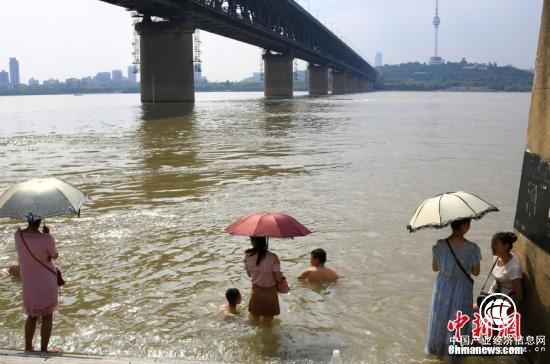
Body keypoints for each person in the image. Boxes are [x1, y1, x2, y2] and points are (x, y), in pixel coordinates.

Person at [426, 218, 481, 357]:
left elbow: (434, 268)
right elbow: (476, 272)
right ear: (464, 225)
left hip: (442, 288)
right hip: (462, 289)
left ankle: (437, 353)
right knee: (458, 321)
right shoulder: (472, 248)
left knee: (440, 320)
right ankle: (454, 355)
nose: (468, 226)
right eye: (468, 224)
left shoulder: (440, 245)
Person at [14, 216, 61, 353]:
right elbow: (55, 255)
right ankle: (44, 349)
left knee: (31, 315)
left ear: (27, 219)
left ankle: (28, 347)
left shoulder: (18, 236)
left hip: (29, 282)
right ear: (40, 220)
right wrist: (47, 235)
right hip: (47, 281)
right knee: (48, 316)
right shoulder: (47, 238)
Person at [244, 236, 284, 325]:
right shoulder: (273, 257)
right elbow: (278, 278)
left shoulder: (247, 255)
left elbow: (249, 275)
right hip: (270, 293)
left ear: (252, 241)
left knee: (254, 321)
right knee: (267, 324)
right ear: (264, 241)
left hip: (255, 291)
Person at [489, 232, 523, 302]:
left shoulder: (513, 267)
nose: (492, 246)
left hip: (504, 302)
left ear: (506, 246)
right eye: (492, 243)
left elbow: (519, 295)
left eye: (495, 244)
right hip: (492, 296)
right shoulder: (496, 258)